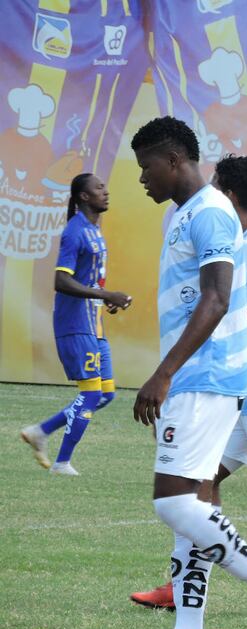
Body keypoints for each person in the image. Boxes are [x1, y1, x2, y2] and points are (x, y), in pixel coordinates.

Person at [121, 117, 247, 629]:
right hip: (198, 377)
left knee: (174, 502)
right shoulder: (183, 214)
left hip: (206, 376)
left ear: (174, 159)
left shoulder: (212, 212)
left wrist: (164, 372)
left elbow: (219, 298)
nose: (142, 179)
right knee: (192, 507)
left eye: (146, 167)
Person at [20, 173, 132, 474]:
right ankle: (62, 463)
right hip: (74, 323)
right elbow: (61, 280)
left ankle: (41, 432)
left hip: (94, 324)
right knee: (91, 393)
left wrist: (105, 300)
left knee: (105, 394)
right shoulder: (75, 231)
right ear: (84, 196)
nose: (106, 192)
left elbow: (89, 279)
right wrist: (106, 294)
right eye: (99, 188)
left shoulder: (94, 230)